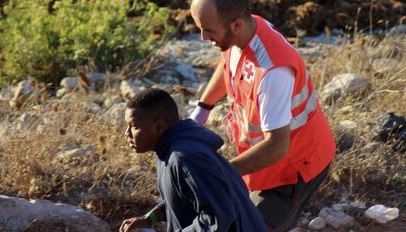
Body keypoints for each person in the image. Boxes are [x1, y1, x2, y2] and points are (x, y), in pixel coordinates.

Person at [189, 0, 337, 231]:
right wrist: (203, 109)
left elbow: (277, 146)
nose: (203, 37)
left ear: (236, 25)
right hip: (267, 164)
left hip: (293, 168)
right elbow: (228, 62)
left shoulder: (272, 73)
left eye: (208, 30)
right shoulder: (244, 31)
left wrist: (223, 173)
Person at [119, 88, 268, 232]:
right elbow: (184, 198)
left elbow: (217, 218)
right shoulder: (169, 151)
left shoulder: (186, 158)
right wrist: (150, 218)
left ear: (159, 126)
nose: (127, 133)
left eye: (134, 127)